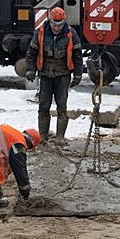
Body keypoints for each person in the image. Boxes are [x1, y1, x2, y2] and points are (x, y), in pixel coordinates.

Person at [25, 7, 84, 146]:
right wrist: (30, 70)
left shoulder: (71, 33)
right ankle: (43, 137)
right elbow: (31, 53)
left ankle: (60, 137)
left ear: (64, 22)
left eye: (59, 25)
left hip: (63, 75)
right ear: (49, 21)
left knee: (61, 107)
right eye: (54, 25)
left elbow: (77, 55)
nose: (57, 28)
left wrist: (78, 74)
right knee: (43, 106)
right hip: (45, 74)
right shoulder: (40, 33)